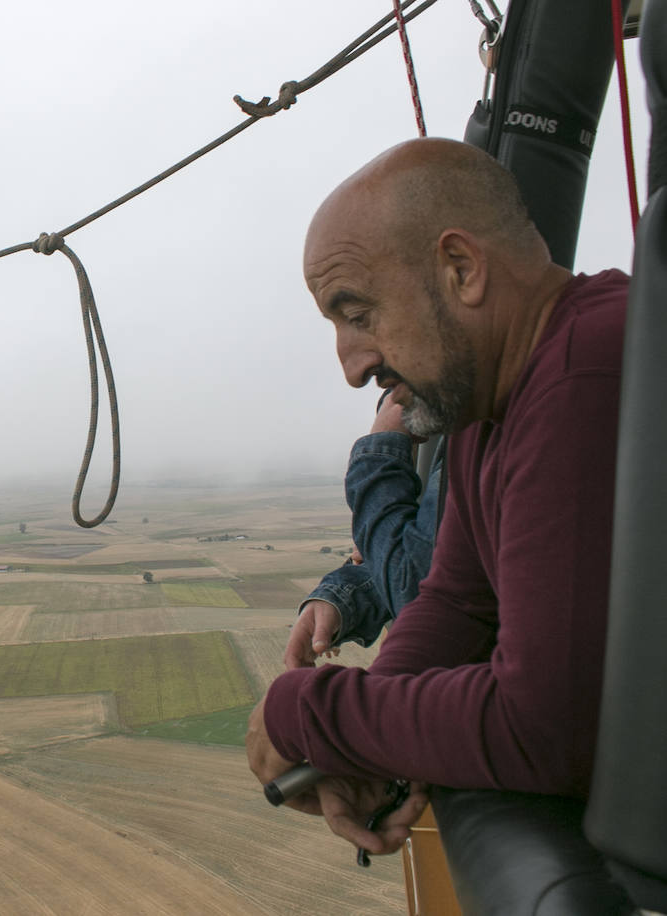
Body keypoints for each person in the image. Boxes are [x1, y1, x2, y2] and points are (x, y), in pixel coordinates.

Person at [246, 137, 629, 860]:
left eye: (357, 313)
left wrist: (308, 713)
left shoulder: (585, 377)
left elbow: (544, 727)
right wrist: (366, 753)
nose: (353, 367)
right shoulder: (491, 410)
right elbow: (455, 601)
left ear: (461, 270)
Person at [283, 390, 443, 669]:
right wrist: (340, 599)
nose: (357, 375)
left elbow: (426, 598)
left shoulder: (492, 432)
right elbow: (426, 551)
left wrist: (380, 449)